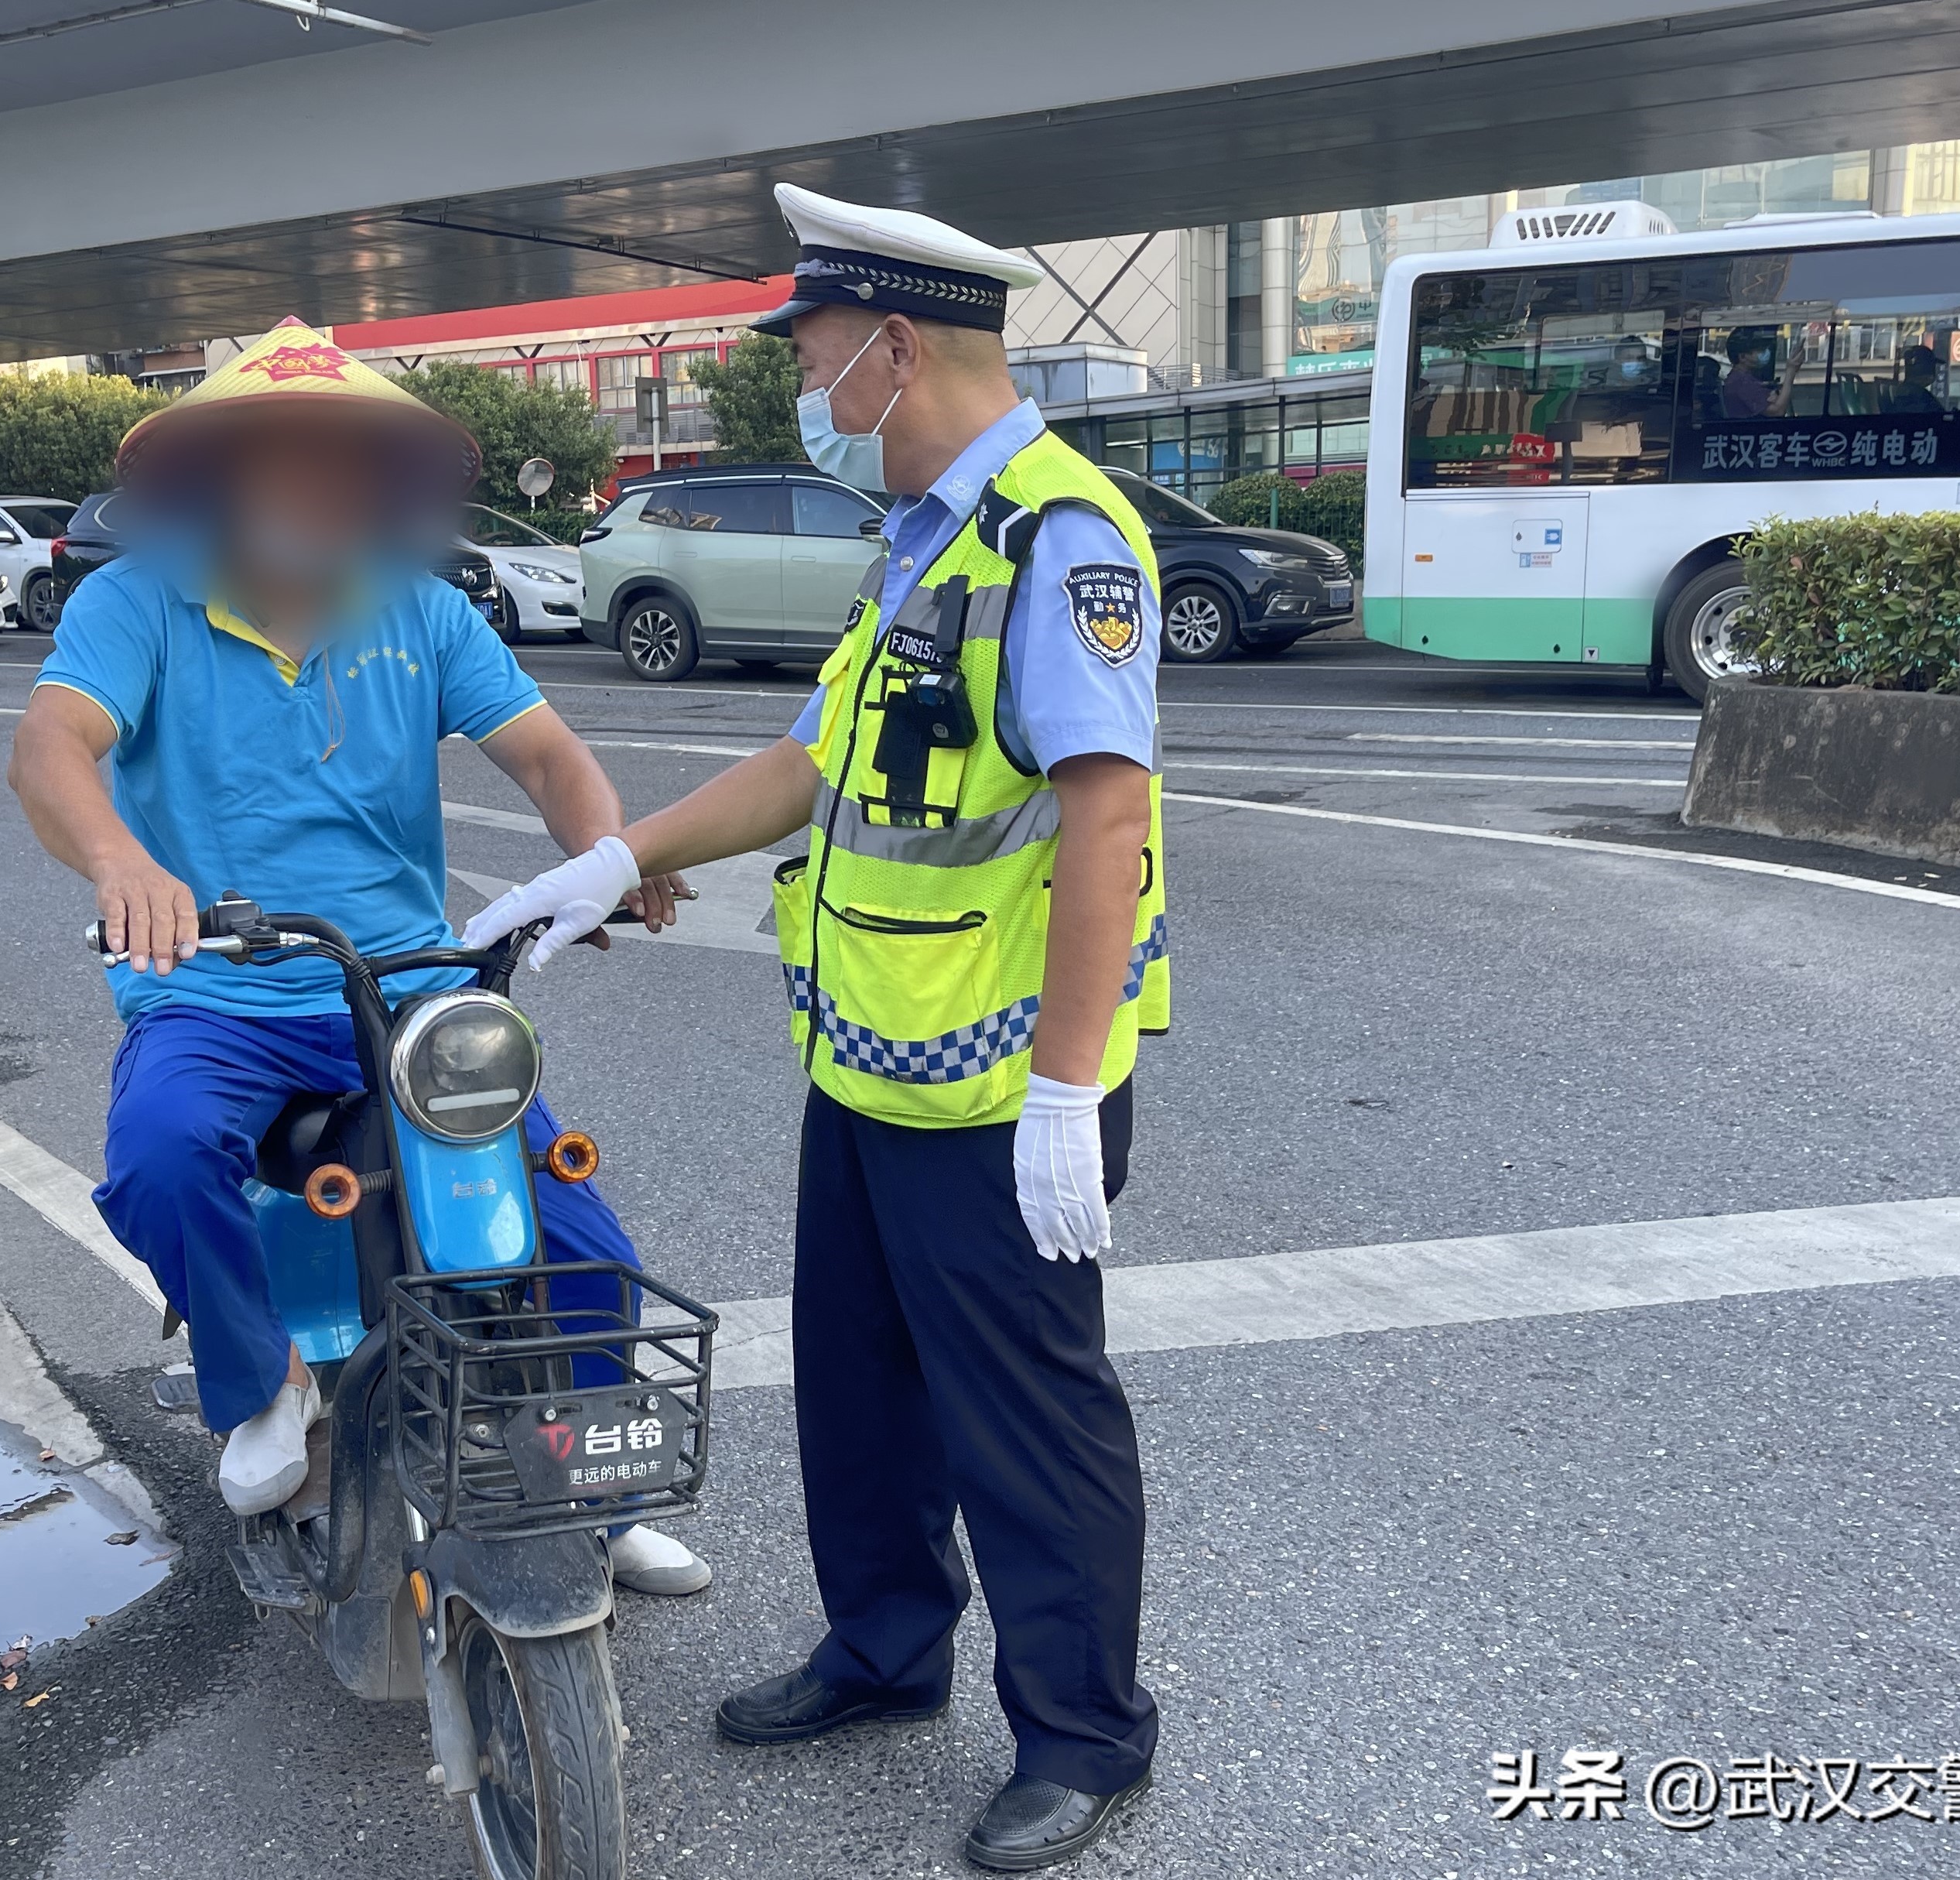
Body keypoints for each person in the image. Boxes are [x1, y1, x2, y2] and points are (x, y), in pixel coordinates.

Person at [466, 185, 1171, 1871]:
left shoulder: (1059, 542)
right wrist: (615, 859)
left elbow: (1103, 820)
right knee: (859, 1393)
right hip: (869, 1063)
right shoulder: (926, 537)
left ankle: (1084, 1735)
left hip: (1004, 1085)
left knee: (1024, 1419)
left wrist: (1070, 1088)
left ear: (889, 346)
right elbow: (807, 765)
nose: (806, 387)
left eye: (811, 354)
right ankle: (883, 1653)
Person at [5, 317, 709, 1597]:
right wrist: (122, 864)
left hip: (408, 989)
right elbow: (50, 748)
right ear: (221, 471)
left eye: (343, 463)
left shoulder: (425, 613)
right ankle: (262, 1384)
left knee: (582, 1246)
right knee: (162, 1154)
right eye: (282, 460)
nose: (314, 488)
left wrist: (606, 851)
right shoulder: (136, 604)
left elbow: (548, 755)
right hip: (219, 989)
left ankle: (583, 1496)